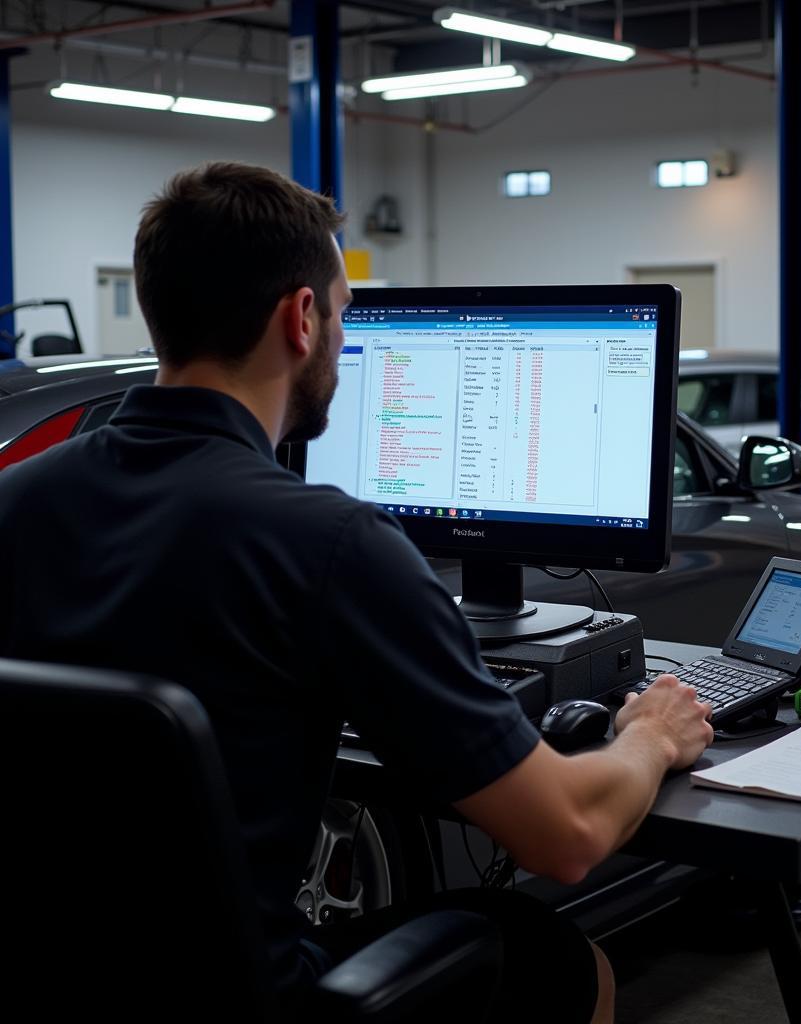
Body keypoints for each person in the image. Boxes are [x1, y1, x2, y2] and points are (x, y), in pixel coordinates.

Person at [0, 163, 713, 1022]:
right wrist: (650, 736)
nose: (343, 337)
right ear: (301, 319)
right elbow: (565, 838)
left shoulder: (16, 501)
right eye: (343, 313)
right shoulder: (330, 543)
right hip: (247, 997)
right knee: (561, 958)